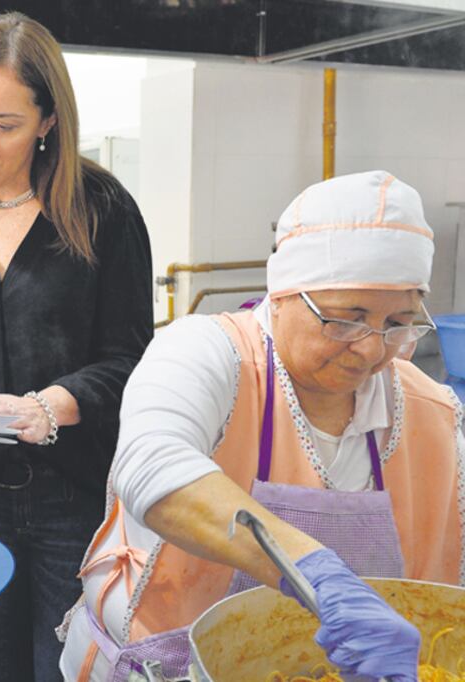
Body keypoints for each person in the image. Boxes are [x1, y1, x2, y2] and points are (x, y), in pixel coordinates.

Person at [59, 170, 465, 680]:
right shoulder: (207, 353)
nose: (371, 347)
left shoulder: (433, 412)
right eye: (347, 317)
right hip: (165, 666)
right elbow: (148, 467)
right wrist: (315, 571)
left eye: (398, 323)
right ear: (284, 294)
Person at [0, 12, 154, 682]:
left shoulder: (103, 211)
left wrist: (53, 405)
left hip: (73, 501)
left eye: (5, 124)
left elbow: (133, 358)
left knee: (72, 673)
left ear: (48, 121)